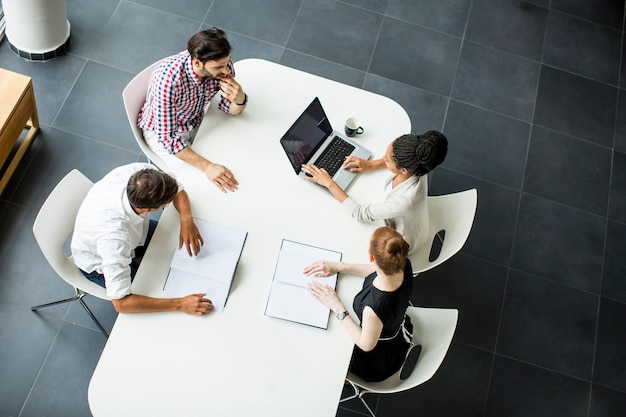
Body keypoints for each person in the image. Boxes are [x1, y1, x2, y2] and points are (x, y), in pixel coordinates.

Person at [70, 163, 214, 315]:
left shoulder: (140, 175)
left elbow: (178, 190)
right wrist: (180, 304)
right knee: (157, 289)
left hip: (135, 235)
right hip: (97, 260)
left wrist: (186, 220)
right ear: (149, 209)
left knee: (173, 250)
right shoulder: (114, 239)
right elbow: (122, 303)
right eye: (167, 204)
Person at [138, 27, 248, 193]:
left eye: (227, 63)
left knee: (234, 155)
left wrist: (240, 99)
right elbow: (167, 138)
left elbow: (229, 109)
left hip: (195, 120)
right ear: (197, 63)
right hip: (164, 133)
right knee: (199, 184)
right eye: (219, 67)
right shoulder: (167, 80)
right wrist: (207, 167)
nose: (226, 71)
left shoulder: (223, 66)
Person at [302, 131, 448, 254]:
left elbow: (359, 213)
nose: (383, 158)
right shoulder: (420, 161)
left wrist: (328, 182)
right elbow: (394, 160)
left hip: (400, 244)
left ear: (404, 170)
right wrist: (370, 164)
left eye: (387, 160)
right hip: (412, 218)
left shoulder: (405, 201)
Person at [305, 226, 413, 382]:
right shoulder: (403, 264)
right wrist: (341, 267)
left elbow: (366, 344)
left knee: (320, 346)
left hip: (375, 360)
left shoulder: (373, 308)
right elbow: (375, 270)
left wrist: (337, 307)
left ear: (371, 257)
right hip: (395, 327)